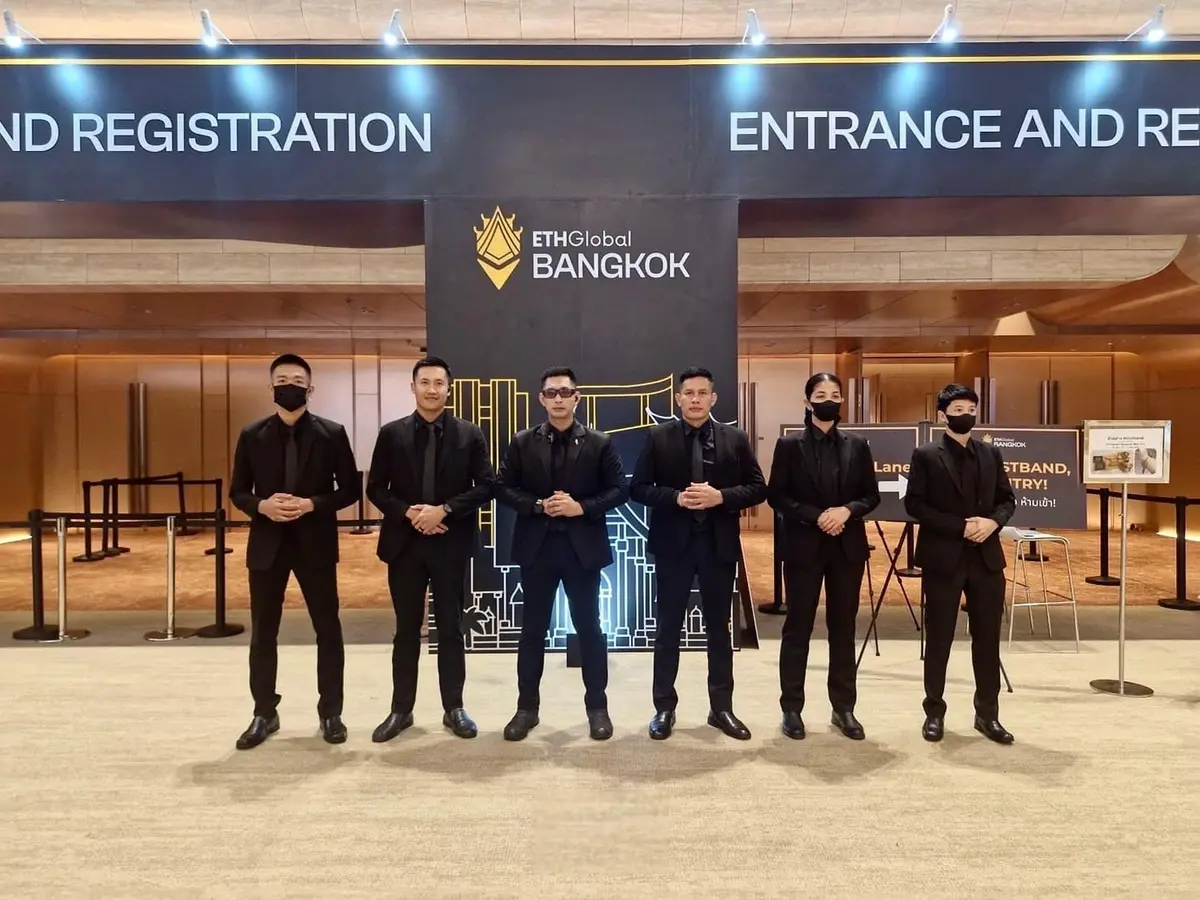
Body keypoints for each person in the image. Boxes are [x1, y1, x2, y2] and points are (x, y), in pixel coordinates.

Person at [229, 354, 359, 750]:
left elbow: (350, 490)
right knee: (263, 633)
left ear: (310, 388)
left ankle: (331, 712)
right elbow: (237, 491)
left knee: (328, 629)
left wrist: (311, 505)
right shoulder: (252, 435)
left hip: (314, 542)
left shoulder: (332, 434)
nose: (290, 385)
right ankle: (263, 712)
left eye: (297, 380)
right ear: (271, 388)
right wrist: (262, 507)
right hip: (267, 545)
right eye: (282, 379)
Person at [630, 366, 767, 741]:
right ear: (677, 398)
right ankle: (663, 708)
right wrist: (675, 497)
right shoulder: (658, 437)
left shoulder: (734, 438)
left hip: (717, 546)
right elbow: (638, 489)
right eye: (688, 393)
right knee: (667, 631)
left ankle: (721, 708)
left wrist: (721, 497)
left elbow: (758, 488)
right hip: (673, 546)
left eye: (701, 393)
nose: (694, 399)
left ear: (713, 398)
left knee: (719, 632)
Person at [494, 366, 629, 741]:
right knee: (532, 631)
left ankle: (597, 709)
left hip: (581, 549)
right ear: (541, 399)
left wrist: (580, 507)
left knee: (590, 629)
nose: (558, 399)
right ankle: (526, 709)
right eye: (550, 393)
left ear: (576, 397)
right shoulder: (522, 442)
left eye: (564, 392)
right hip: (536, 549)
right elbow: (503, 488)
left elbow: (619, 490)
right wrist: (538, 505)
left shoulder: (600, 442)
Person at [366, 356, 495, 743]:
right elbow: (375, 488)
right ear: (413, 387)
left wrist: (444, 510)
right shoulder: (391, 434)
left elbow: (486, 485)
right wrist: (409, 513)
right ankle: (400, 710)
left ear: (449, 389)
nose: (432, 389)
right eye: (425, 382)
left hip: (449, 542)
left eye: (439, 383)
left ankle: (454, 707)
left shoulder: (469, 434)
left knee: (452, 630)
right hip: (404, 544)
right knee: (406, 630)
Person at [767, 373, 880, 741]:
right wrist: (817, 515)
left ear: (842, 401)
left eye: (834, 394)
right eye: (820, 394)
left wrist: (846, 511)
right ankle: (791, 709)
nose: (828, 400)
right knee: (797, 627)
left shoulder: (858, 444)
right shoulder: (788, 445)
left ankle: (844, 708)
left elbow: (871, 495)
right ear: (807, 401)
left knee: (843, 628)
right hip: (804, 546)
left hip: (846, 546)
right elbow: (777, 496)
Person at [904, 383, 1016, 745]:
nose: (965, 413)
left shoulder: (990, 453)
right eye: (958, 408)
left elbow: (1007, 499)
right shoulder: (925, 454)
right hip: (944, 556)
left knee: (988, 639)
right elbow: (916, 506)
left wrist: (992, 523)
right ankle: (934, 712)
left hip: (986, 557)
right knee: (938, 638)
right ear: (942, 415)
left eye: (971, 407)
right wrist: (961, 526)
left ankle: (988, 715)